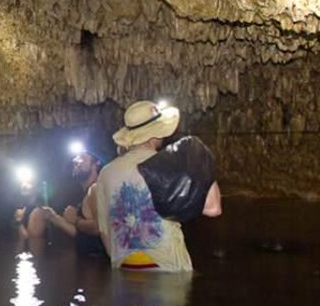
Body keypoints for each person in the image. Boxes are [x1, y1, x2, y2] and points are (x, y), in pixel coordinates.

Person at [94, 101, 222, 271]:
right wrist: (200, 158)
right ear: (157, 133)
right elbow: (213, 208)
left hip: (125, 268)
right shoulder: (171, 163)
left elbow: (104, 231)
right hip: (167, 267)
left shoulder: (105, 173)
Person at [41, 149, 105, 256]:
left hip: (98, 265)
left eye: (82, 158)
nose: (75, 161)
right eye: (75, 157)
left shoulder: (95, 189)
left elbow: (99, 229)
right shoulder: (87, 192)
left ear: (96, 164)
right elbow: (84, 236)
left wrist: (75, 220)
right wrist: (55, 218)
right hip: (89, 263)